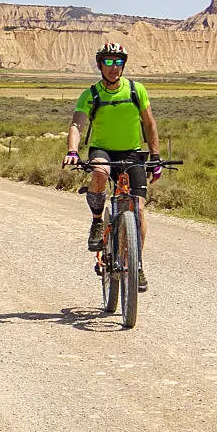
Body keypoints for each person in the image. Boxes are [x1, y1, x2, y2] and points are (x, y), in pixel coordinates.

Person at [62, 42, 163, 291]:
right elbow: (77, 125)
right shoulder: (91, 94)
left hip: (132, 153)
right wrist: (73, 151)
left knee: (138, 210)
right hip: (102, 150)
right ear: (99, 65)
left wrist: (156, 157)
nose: (113, 67)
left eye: (117, 62)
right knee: (99, 171)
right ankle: (97, 221)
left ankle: (136, 265)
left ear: (123, 65)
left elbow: (149, 124)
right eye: (108, 62)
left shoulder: (135, 90)